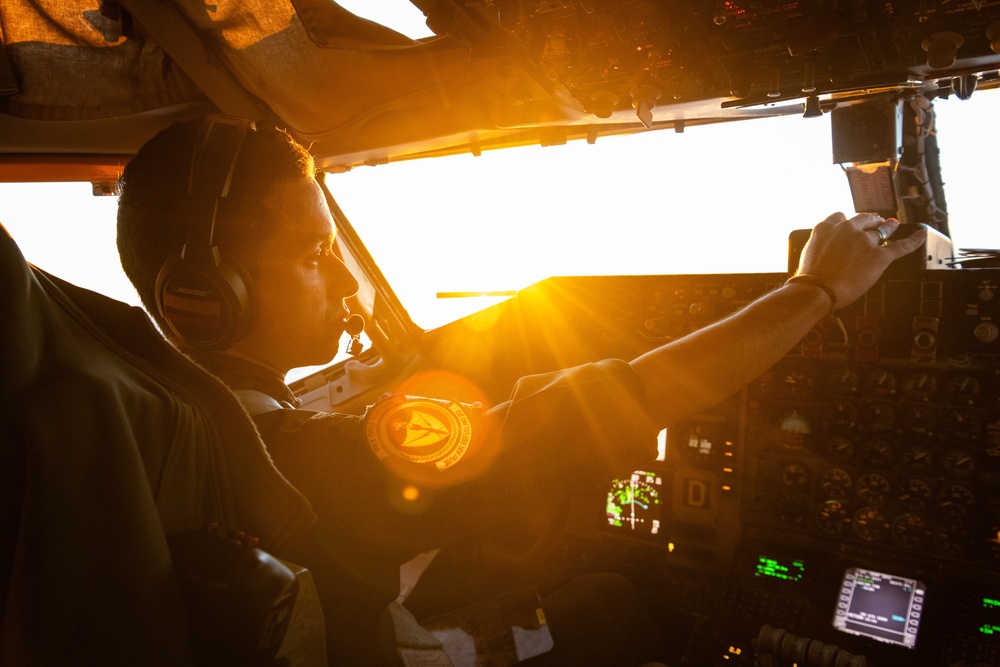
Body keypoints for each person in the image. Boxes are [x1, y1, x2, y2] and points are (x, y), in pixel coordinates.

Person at [115, 115, 926, 664]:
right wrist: (814, 292)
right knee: (618, 603)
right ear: (205, 295)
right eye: (311, 255)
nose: (342, 280)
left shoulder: (160, 414)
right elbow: (610, 408)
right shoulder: (297, 460)